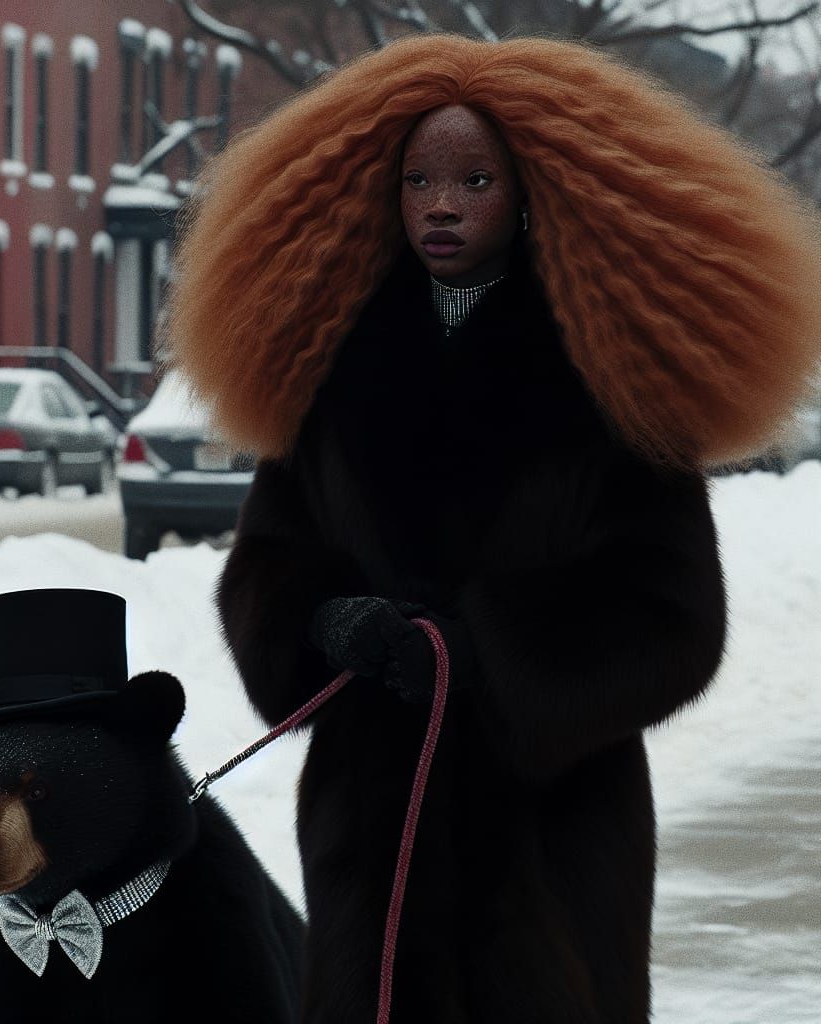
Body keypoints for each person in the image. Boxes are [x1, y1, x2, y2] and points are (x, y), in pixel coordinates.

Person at [166, 34, 821, 1023]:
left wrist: (493, 658)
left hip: (555, 845)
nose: (441, 203)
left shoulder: (608, 388)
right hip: (367, 836)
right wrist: (324, 624)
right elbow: (268, 562)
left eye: (474, 179)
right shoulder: (331, 378)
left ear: (531, 192)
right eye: (419, 179)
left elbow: (672, 616)